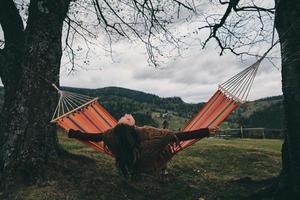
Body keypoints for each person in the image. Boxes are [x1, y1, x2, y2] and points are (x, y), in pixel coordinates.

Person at [68, 114, 217, 179]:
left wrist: (72, 132)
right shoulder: (151, 135)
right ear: (132, 125)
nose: (128, 114)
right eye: (127, 117)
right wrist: (205, 131)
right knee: (162, 149)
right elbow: (178, 137)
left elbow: (91, 137)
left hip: (128, 163)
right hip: (150, 165)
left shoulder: (111, 136)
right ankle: (163, 172)